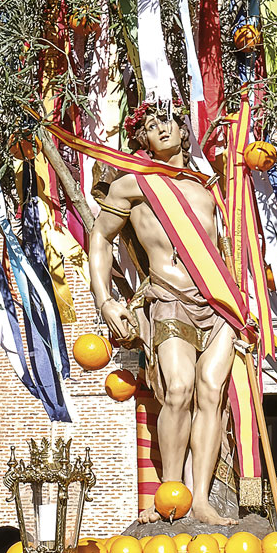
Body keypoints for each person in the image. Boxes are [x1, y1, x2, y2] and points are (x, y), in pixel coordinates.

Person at [89, 102, 238, 525]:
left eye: (168, 121)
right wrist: (105, 301)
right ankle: (171, 492)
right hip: (169, 296)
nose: (162, 129)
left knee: (211, 393)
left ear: (182, 130)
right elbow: (99, 242)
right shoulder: (132, 187)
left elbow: (230, 248)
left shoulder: (208, 188)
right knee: (178, 389)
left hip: (216, 302)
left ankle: (203, 499)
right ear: (143, 142)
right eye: (151, 127)